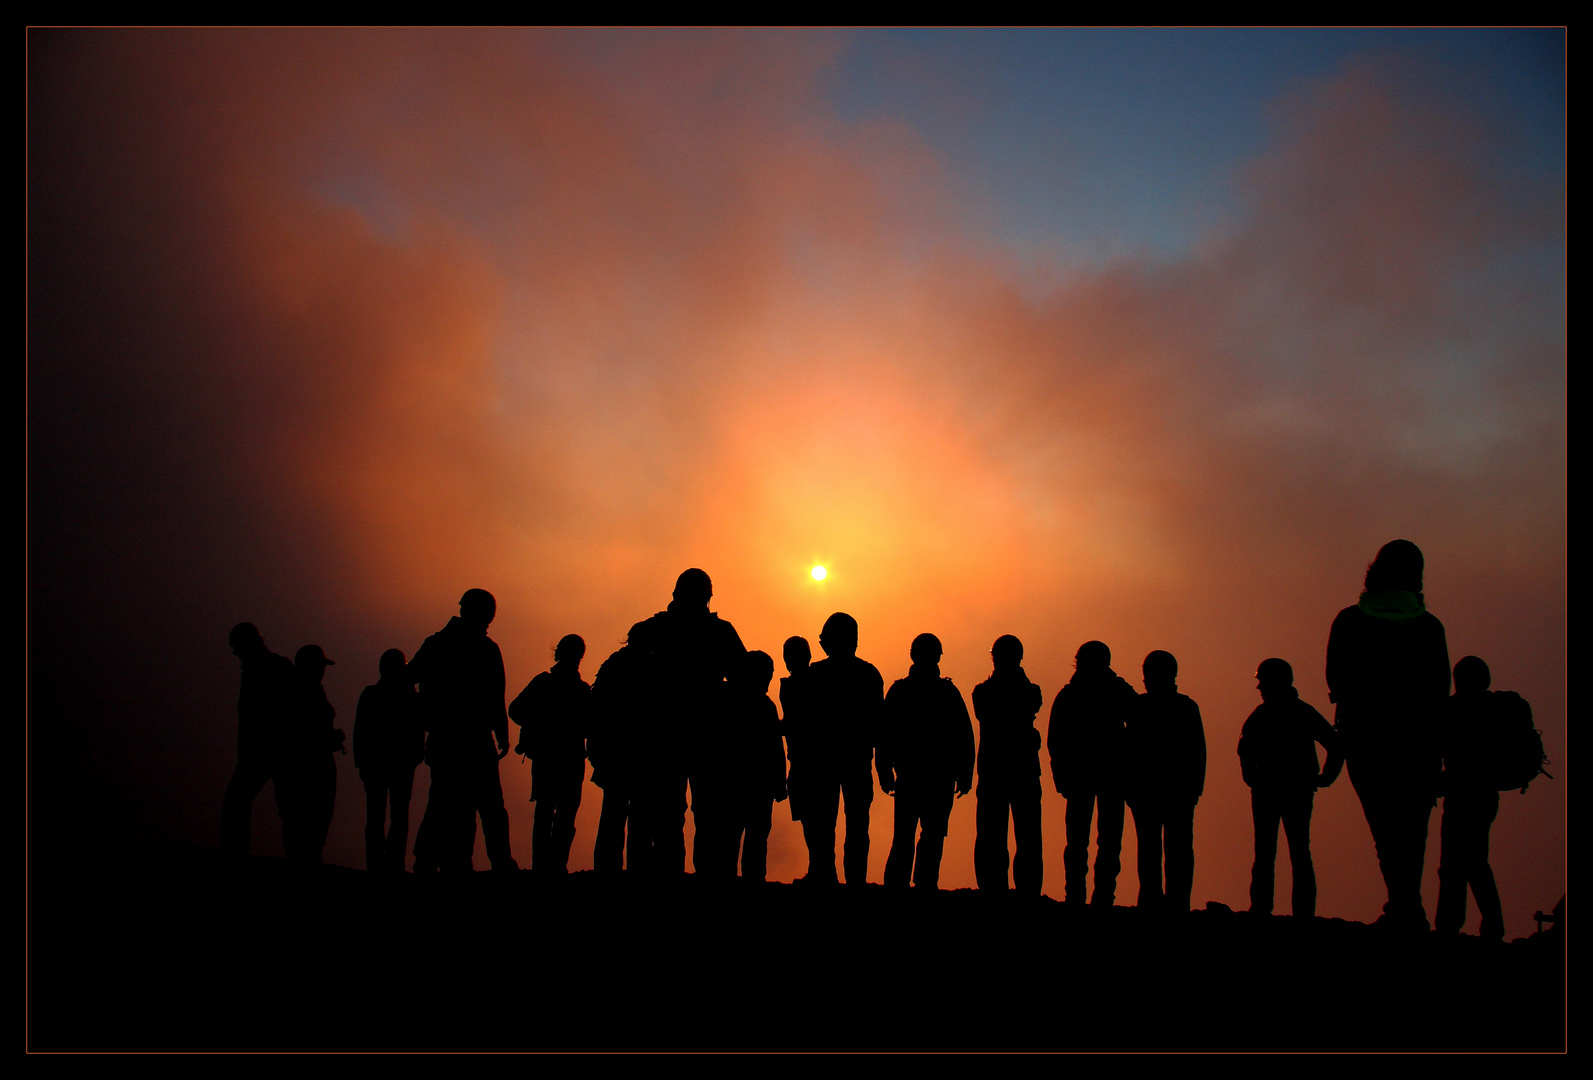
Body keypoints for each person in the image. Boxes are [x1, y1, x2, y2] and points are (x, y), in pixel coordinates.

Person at [1326, 540, 1450, 931]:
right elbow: (1439, 691)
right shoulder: (1429, 627)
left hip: (1367, 741)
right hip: (1418, 745)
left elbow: (1337, 679)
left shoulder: (1349, 621)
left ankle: (1404, 907)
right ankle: (1407, 906)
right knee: (1413, 831)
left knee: (1385, 828)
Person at [626, 569, 747, 877]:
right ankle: (694, 876)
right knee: (693, 812)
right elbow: (744, 683)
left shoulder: (653, 630)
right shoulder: (717, 632)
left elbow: (743, 683)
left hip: (678, 734)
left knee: (680, 813)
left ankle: (678, 875)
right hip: (690, 734)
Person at [410, 588, 518, 873]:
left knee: (448, 803)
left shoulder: (438, 644)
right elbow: (496, 695)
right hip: (467, 738)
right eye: (487, 615)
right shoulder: (484, 649)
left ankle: (441, 861)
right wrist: (502, 734)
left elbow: (409, 676)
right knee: (482, 805)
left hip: (450, 738)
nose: (489, 621)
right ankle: (489, 863)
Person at [1238, 658, 1342, 919]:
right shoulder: (1297, 712)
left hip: (1281, 789)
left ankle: (1268, 910)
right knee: (1285, 852)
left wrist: (1326, 775)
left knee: (1276, 852)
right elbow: (1245, 749)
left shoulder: (1272, 714)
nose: (1259, 686)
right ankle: (1290, 913)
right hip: (1288, 789)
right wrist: (1325, 776)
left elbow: (1335, 743)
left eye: (1262, 680)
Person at [879, 634, 975, 891]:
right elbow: (965, 737)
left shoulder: (902, 691)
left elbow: (885, 735)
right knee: (925, 836)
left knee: (913, 836)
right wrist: (965, 775)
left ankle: (907, 885)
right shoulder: (946, 692)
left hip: (919, 777)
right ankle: (919, 885)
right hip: (930, 778)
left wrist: (884, 771)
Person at [1047, 640, 1138, 907]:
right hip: (1102, 776)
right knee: (1096, 842)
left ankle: (1083, 897)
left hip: (1094, 776)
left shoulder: (1073, 694)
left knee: (1089, 842)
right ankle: (1095, 897)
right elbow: (1056, 739)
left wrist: (1061, 774)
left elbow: (1056, 739)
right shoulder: (1113, 690)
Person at [799, 612, 885, 886]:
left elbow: (805, 725)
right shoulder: (869, 674)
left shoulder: (815, 676)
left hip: (825, 762)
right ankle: (853, 881)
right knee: (854, 825)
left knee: (825, 824)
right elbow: (879, 726)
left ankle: (827, 877)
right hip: (855, 761)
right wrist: (882, 765)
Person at [692, 650, 788, 881]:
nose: (769, 680)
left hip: (732, 787)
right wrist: (778, 785)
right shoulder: (762, 706)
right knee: (749, 842)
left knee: (734, 841)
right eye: (767, 674)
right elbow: (774, 749)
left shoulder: (721, 699)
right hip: (749, 788)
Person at [1435, 656, 1511, 940]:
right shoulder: (1495, 708)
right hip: (1485, 796)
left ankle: (1449, 926)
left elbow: (1438, 747)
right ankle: (1491, 926)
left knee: (1454, 865)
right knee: (1475, 862)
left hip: (1460, 796)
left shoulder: (1453, 708)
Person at [509, 634, 591, 877]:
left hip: (550, 758)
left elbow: (516, 710)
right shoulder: (581, 690)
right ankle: (554, 867)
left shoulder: (544, 684)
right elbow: (591, 726)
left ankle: (543, 867)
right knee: (561, 815)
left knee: (546, 813)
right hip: (569, 759)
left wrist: (537, 728)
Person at [970, 635, 1044, 894]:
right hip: (1015, 772)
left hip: (997, 773)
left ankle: (998, 889)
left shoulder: (984, 692)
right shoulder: (1028, 691)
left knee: (1005, 837)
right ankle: (1017, 890)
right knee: (1020, 836)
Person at [221, 622, 296, 858]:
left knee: (236, 803)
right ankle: (298, 858)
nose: (235, 652)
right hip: (277, 751)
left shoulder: (260, 670)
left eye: (237, 646)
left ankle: (236, 854)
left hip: (262, 752)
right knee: (288, 809)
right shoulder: (279, 667)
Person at [354, 648, 425, 873]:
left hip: (379, 764)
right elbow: (418, 728)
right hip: (399, 764)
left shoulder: (371, 694)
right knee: (397, 815)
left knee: (377, 816)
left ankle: (377, 864)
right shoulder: (409, 696)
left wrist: (361, 763)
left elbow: (360, 733)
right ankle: (393, 864)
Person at [280, 644, 345, 865]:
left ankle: (305, 857)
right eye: (320, 666)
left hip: (309, 763)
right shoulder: (306, 691)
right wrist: (333, 738)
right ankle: (307, 859)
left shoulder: (304, 689)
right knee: (312, 814)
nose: (323, 671)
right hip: (312, 764)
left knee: (308, 815)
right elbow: (308, 732)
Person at [779, 636, 814, 831]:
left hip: (805, 766)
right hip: (807, 766)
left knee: (813, 830)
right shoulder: (818, 679)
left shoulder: (793, 686)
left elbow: (793, 722)